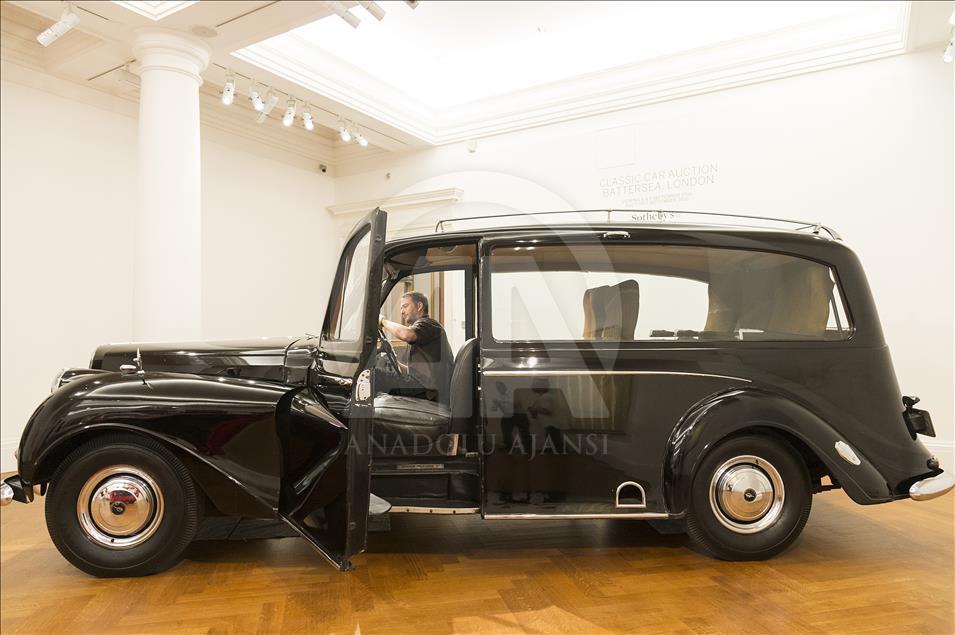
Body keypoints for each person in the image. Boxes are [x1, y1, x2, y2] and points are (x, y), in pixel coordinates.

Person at [378, 291, 453, 403]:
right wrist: (394, 360)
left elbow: (406, 335)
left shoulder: (429, 324)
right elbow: (414, 372)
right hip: (424, 387)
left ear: (419, 306)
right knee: (377, 375)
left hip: (427, 391)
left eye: (405, 306)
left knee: (375, 376)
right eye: (401, 308)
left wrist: (382, 321)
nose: (402, 311)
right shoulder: (423, 331)